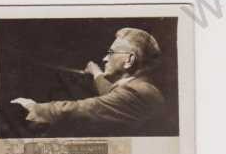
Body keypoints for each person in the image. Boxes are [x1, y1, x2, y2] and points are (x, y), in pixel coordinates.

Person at [11, 27, 166, 136]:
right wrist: (96, 72)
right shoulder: (140, 88)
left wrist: (36, 108)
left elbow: (87, 108)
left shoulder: (138, 94)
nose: (105, 58)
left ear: (128, 60)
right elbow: (112, 94)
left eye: (111, 53)